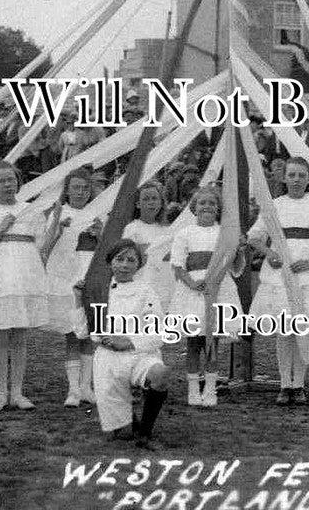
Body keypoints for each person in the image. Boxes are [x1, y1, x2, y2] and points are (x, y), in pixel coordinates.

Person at [245, 157, 309, 406]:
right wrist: (271, 254)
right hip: (280, 275)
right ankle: (285, 383)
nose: (296, 180)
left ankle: (299, 385)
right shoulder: (274, 205)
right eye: (292, 175)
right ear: (284, 178)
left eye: (301, 175)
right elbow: (254, 237)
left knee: (301, 329)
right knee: (284, 331)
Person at [0, 160, 50, 411]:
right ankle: (0, 393)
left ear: (18, 181)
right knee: (0, 337)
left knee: (19, 337)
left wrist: (56, 222)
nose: (7, 185)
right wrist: (1, 229)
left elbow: (42, 248)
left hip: (25, 276)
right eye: (1, 181)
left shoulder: (31, 210)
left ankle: (17, 392)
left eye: (11, 179)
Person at [86, 240, 171, 449]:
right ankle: (128, 420)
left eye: (131, 260)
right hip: (109, 357)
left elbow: (159, 330)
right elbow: (85, 331)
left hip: (139, 352)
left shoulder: (146, 291)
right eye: (119, 259)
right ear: (110, 262)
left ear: (138, 265)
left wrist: (129, 341)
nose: (124, 265)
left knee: (160, 374)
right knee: (121, 434)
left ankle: (145, 433)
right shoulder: (99, 291)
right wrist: (80, 300)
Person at [169, 185, 246, 407]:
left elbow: (236, 267)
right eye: (202, 203)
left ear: (218, 208)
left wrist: (239, 248)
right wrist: (193, 283)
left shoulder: (224, 233)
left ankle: (210, 389)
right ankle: (194, 389)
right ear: (194, 207)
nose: (207, 207)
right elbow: (177, 265)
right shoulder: (184, 233)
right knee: (193, 342)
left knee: (213, 342)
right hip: (193, 292)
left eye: (212, 203)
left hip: (219, 289)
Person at [41, 167, 104, 407]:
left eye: (85, 188)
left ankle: (87, 387)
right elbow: (45, 246)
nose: (80, 192)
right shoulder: (59, 212)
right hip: (65, 277)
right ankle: (73, 389)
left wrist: (100, 234)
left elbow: (106, 251)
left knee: (88, 334)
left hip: (88, 276)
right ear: (67, 190)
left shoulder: (96, 214)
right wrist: (59, 226)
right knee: (72, 334)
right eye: (76, 187)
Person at [121, 181, 175, 312]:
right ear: (138, 204)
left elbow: (174, 255)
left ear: (161, 203)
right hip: (144, 284)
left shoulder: (167, 230)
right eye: (146, 199)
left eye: (154, 198)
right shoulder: (132, 228)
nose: (151, 202)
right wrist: (158, 250)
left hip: (166, 284)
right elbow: (132, 254)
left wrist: (151, 249)